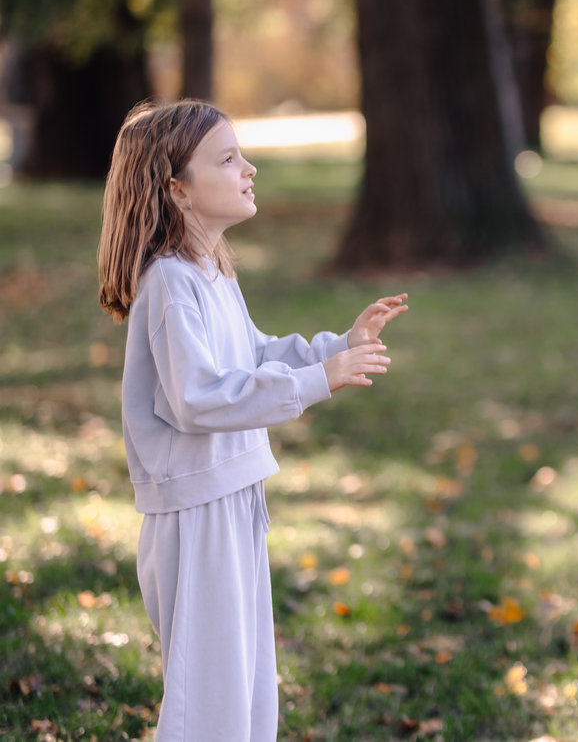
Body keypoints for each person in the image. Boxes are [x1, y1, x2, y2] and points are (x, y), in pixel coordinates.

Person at [96, 99, 407, 741]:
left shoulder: (211, 273)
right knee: (206, 697)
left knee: (246, 681)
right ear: (177, 189)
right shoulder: (168, 284)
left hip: (234, 494)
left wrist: (334, 348)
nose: (250, 169)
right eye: (229, 158)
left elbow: (256, 352)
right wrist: (318, 382)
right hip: (195, 511)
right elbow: (200, 397)